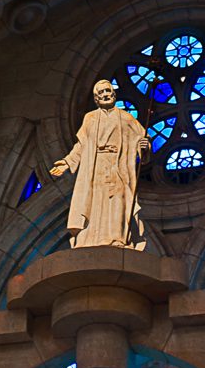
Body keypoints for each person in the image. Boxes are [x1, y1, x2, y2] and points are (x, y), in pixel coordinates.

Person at [50, 78, 150, 248]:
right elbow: (82, 145)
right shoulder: (90, 118)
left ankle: (117, 237)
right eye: (101, 93)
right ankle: (90, 239)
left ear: (114, 94)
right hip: (96, 166)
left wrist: (145, 147)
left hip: (118, 166)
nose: (105, 95)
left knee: (118, 198)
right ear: (96, 99)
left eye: (107, 91)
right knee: (94, 201)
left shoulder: (126, 118)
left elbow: (142, 143)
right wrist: (67, 162)